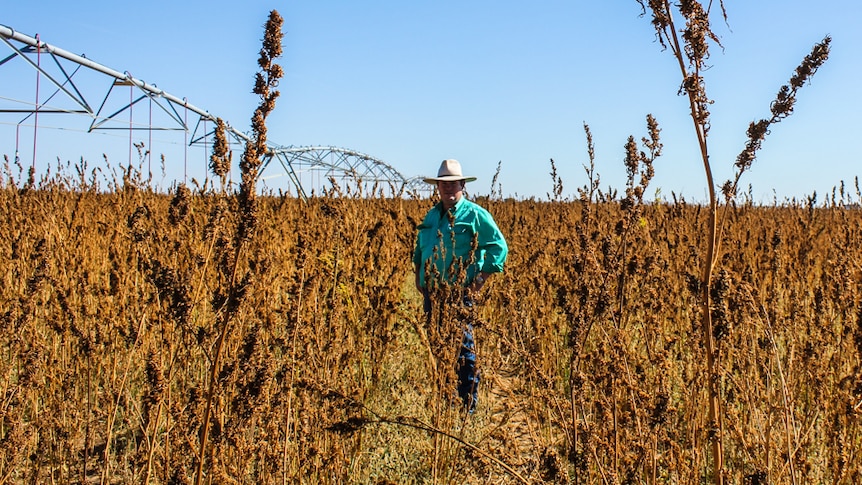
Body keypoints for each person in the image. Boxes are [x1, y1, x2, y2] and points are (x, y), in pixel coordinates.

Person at [413, 159, 508, 412]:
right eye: (443, 184)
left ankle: (468, 408)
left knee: (463, 351)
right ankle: (447, 400)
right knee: (438, 346)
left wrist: (480, 279)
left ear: (463, 185)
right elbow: (419, 249)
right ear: (437, 187)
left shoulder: (475, 214)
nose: (448, 188)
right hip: (432, 294)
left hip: (459, 295)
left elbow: (499, 247)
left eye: (453, 183)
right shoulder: (432, 215)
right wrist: (418, 274)